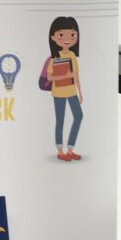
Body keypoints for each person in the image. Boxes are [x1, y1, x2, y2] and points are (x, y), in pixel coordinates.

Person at [47, 15, 83, 161]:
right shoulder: (54, 57)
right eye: (61, 35)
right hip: (58, 92)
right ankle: (60, 151)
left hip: (72, 91)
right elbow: (50, 77)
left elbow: (76, 75)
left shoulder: (72, 55)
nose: (67, 39)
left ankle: (70, 149)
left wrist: (80, 92)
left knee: (78, 116)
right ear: (53, 37)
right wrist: (64, 76)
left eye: (72, 35)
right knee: (60, 120)